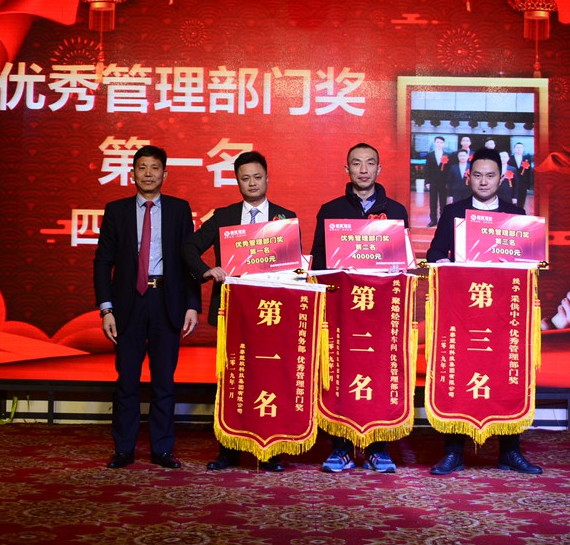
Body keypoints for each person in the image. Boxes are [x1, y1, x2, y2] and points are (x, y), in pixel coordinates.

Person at [426, 147, 543, 475]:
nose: (483, 181)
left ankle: (510, 451)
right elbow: (434, 252)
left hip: (503, 315)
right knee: (458, 375)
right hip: (463, 313)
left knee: (508, 376)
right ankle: (453, 452)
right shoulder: (454, 212)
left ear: (501, 177)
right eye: (477, 175)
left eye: (490, 175)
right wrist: (446, 262)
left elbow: (529, 260)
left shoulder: (515, 214)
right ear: (468, 177)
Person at [182, 151, 298, 472]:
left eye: (257, 177)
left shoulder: (285, 218)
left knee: (270, 378)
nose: (252, 183)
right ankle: (228, 450)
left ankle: (270, 452)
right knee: (232, 379)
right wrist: (206, 271)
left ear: (267, 178)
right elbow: (188, 247)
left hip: (272, 312)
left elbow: (294, 265)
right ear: (237, 181)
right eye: (245, 178)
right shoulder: (224, 216)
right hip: (233, 310)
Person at [93, 145, 201, 469]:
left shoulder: (180, 209)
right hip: (127, 304)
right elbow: (103, 262)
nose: (149, 174)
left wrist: (192, 305)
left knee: (164, 380)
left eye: (155, 168)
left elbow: (189, 260)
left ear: (165, 173)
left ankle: (162, 449)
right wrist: (106, 308)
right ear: (132, 174)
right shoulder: (116, 210)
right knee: (127, 380)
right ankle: (123, 449)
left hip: (166, 301)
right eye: (142, 167)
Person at [310, 142, 410, 473]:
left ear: (379, 169)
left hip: (381, 312)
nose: (363, 169)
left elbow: (403, 261)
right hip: (343, 311)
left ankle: (378, 448)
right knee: (340, 375)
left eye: (370, 163)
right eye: (356, 163)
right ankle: (340, 448)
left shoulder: (396, 211)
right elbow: (318, 260)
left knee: (379, 374)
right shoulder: (331, 209)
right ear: (347, 169)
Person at [424, 136, 449, 226]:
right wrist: (427, 182)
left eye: (441, 142)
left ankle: (443, 220)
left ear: (443, 144)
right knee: (433, 202)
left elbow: (449, 170)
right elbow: (427, 169)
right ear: (434, 143)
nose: (439, 144)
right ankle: (433, 220)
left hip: (444, 183)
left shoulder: (447, 155)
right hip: (433, 182)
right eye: (437, 142)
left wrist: (448, 182)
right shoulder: (430, 155)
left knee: (443, 202)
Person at [447, 139, 473, 204]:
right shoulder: (453, 167)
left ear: (467, 156)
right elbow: (450, 182)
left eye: (464, 156)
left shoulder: (472, 167)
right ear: (458, 157)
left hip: (468, 192)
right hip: (456, 192)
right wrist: (450, 195)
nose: (462, 157)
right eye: (460, 156)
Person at [508, 142, 533, 209]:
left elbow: (529, 174)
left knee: (521, 202)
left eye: (521, 147)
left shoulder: (526, 160)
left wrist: (528, 186)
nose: (519, 149)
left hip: (523, 185)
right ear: (514, 149)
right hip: (511, 184)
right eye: (517, 147)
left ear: (523, 149)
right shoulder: (509, 159)